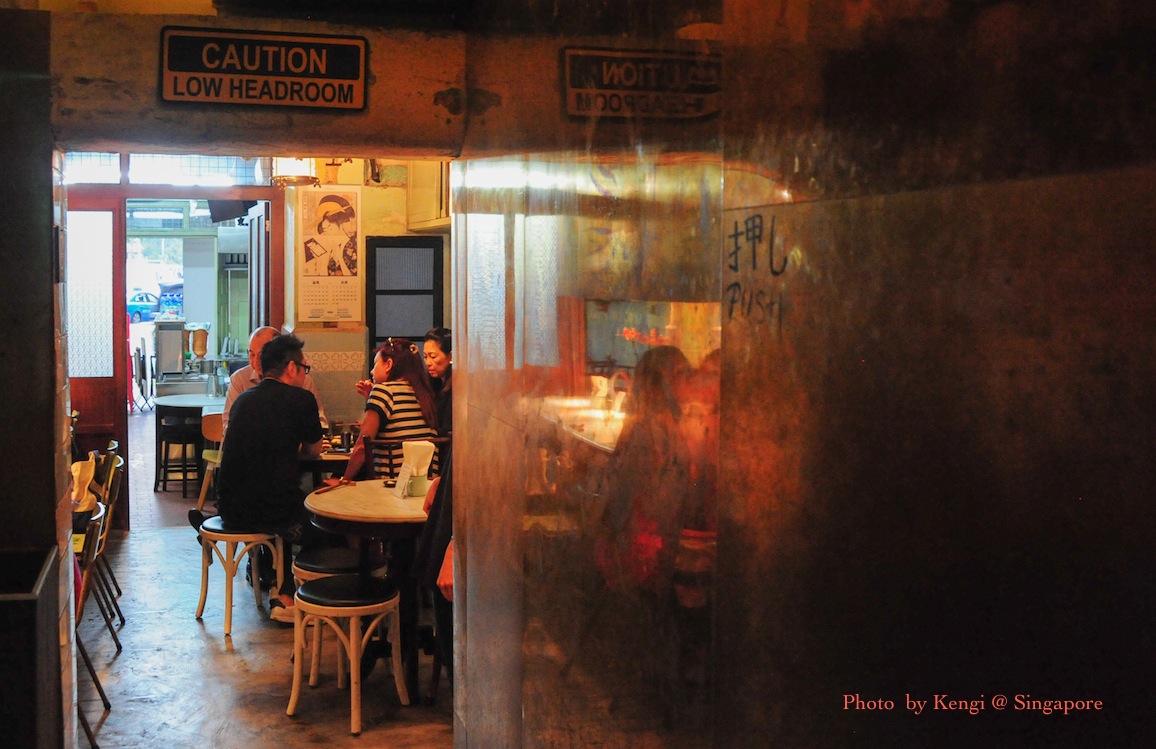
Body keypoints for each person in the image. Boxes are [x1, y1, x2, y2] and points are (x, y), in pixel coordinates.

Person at [212, 333, 334, 622]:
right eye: (304, 368)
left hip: (230, 510)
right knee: (327, 525)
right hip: (273, 513)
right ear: (291, 367)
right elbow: (314, 451)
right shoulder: (301, 399)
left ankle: (281, 590)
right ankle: (295, 598)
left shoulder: (243, 400)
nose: (305, 374)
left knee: (288, 504)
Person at [342, 337, 440, 482]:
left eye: (375, 364)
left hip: (391, 485)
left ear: (388, 364)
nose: (372, 372)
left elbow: (362, 448)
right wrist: (372, 400)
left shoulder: (383, 391)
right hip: (427, 485)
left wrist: (343, 480)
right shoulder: (425, 394)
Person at [223, 326, 328, 436]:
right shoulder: (239, 379)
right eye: (252, 354)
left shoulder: (302, 379)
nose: (256, 361)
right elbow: (228, 426)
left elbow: (319, 423)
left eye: (262, 354)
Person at [422, 327, 453, 436]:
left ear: (450, 356)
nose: (428, 363)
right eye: (425, 357)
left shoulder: (456, 388)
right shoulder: (435, 384)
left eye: (433, 356)